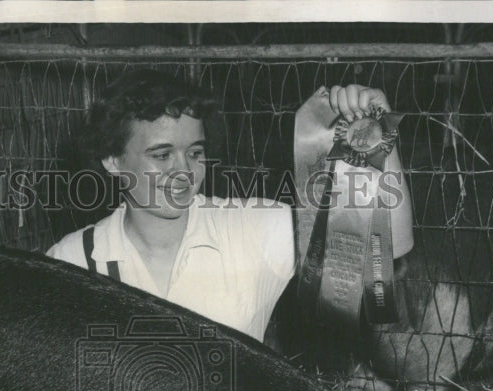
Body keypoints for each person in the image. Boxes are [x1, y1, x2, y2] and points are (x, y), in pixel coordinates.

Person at [46, 69, 399, 344]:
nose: (184, 171)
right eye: (162, 154)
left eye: (195, 153)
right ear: (112, 160)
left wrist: (378, 135)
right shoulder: (71, 261)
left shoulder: (249, 229)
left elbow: (384, 244)